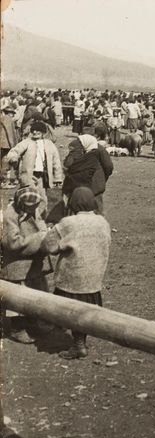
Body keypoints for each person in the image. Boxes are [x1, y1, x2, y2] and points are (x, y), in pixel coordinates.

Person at [41, 187, 111, 360]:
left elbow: (48, 246)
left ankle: (78, 345)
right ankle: (79, 341)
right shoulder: (103, 222)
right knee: (85, 310)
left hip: (72, 276)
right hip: (94, 274)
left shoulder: (68, 223)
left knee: (71, 310)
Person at [1, 186, 49, 344]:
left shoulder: (33, 208)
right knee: (18, 298)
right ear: (21, 204)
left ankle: (33, 323)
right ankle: (17, 328)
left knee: (35, 293)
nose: (34, 209)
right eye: (31, 207)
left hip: (32, 263)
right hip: (17, 263)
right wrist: (39, 239)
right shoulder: (10, 215)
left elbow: (40, 223)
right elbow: (12, 243)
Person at [5, 121, 64, 195]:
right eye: (33, 130)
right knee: (30, 196)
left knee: (42, 198)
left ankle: (42, 206)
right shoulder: (26, 142)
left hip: (43, 176)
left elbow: (56, 161)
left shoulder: (49, 144)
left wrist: (57, 177)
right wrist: (13, 158)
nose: (35, 132)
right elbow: (14, 151)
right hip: (29, 175)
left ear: (43, 132)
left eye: (38, 130)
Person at [62, 134, 114, 214]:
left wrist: (103, 178)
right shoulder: (80, 150)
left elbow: (108, 167)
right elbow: (108, 167)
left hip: (89, 186)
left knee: (90, 208)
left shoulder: (97, 150)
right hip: (91, 186)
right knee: (94, 209)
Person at [1, 104, 19, 186]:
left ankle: (3, 180)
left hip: (3, 143)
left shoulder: (2, 118)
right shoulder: (8, 120)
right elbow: (10, 133)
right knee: (5, 161)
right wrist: (13, 146)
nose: (13, 115)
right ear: (9, 113)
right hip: (6, 144)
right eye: (12, 113)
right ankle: (4, 180)